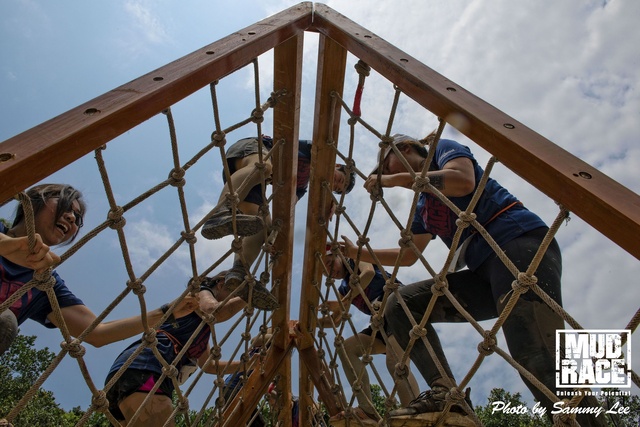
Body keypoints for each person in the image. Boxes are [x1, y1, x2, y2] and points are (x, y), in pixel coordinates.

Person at [340, 134, 607, 426]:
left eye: (385, 164)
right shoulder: (423, 205)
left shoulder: (441, 150)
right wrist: (356, 252)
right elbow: (408, 255)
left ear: (403, 148)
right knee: (401, 303)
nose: (385, 172)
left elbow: (463, 181)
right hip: (484, 273)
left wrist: (394, 179)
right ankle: (446, 395)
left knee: (535, 354)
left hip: (516, 245)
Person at [0, 183, 196, 354]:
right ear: (34, 200)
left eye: (78, 218)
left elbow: (96, 332)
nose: (72, 218)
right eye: (65, 206)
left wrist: (165, 312)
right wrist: (6, 246)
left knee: (6, 322)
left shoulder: (44, 282)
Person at [201, 136, 355, 311]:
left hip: (248, 184)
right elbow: (321, 152)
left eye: (336, 189)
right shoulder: (314, 151)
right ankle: (221, 212)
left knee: (262, 227)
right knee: (264, 167)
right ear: (337, 165)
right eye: (339, 180)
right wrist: (329, 198)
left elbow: (288, 206)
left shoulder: (301, 186)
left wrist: (273, 239)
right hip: (253, 151)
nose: (334, 184)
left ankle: (239, 272)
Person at [105, 271, 248, 427]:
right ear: (221, 284)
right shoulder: (200, 292)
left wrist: (246, 365)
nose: (235, 299)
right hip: (147, 367)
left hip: (141, 372)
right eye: (235, 294)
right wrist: (250, 296)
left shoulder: (200, 327)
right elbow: (213, 310)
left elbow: (209, 365)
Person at [319, 249, 419, 425]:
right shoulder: (343, 288)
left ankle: (414, 412)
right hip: (381, 322)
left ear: (338, 255)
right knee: (346, 348)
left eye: (329, 263)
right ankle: (367, 409)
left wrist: (343, 302)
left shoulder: (356, 258)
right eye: (325, 273)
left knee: (394, 363)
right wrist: (312, 322)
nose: (331, 272)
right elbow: (335, 320)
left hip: (398, 307)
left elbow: (368, 273)